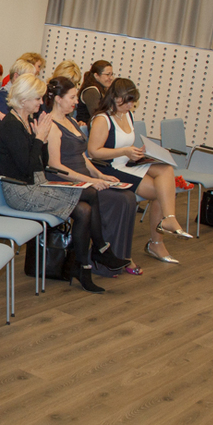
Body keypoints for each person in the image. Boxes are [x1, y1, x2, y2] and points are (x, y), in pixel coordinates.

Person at [0, 74, 130, 293]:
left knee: (85, 208)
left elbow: (41, 163)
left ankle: (85, 264)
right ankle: (97, 253)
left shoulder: (27, 120)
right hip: (20, 192)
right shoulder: (11, 125)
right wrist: (40, 139)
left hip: (34, 184)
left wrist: (40, 140)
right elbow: (27, 168)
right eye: (37, 99)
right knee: (89, 197)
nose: (41, 103)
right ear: (23, 100)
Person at [87, 78, 191, 264]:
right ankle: (157, 242)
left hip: (127, 162)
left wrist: (138, 152)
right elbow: (94, 152)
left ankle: (169, 219)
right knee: (162, 192)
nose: (130, 106)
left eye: (132, 102)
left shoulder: (127, 115)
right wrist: (125, 151)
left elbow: (126, 145)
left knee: (166, 169)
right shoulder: (103, 119)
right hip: (110, 167)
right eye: (127, 102)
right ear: (115, 97)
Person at [44, 77, 140, 276]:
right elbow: (55, 166)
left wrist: (100, 175)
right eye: (72, 97)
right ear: (58, 99)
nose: (76, 101)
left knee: (128, 197)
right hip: (67, 181)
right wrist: (91, 181)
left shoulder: (70, 121)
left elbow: (82, 156)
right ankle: (102, 257)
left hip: (84, 179)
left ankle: (115, 255)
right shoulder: (52, 125)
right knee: (120, 200)